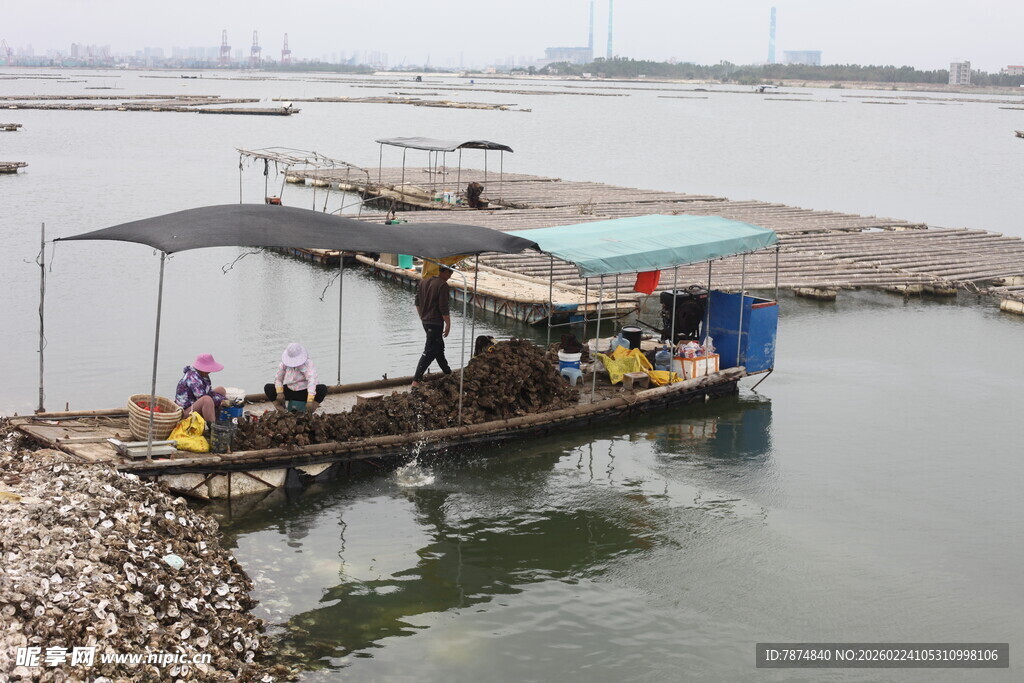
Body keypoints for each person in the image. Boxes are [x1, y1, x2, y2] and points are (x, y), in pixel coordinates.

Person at [412, 266, 453, 386]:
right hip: (435, 322)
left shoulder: (423, 282)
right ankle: (416, 380)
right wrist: (448, 324)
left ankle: (448, 373)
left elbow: (417, 303)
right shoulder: (442, 285)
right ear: (443, 271)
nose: (451, 274)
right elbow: (443, 307)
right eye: (450, 272)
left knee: (438, 348)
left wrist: (422, 317)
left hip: (426, 321)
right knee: (430, 350)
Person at [265, 343, 328, 410]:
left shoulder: (308, 363)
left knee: (322, 389)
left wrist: (310, 400)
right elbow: (278, 379)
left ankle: (309, 411)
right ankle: (281, 410)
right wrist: (279, 392)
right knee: (268, 388)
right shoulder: (284, 364)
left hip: (304, 391)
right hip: (290, 390)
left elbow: (312, 380)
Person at [175, 353, 226, 423]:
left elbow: (209, 392)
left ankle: (215, 416)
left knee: (221, 390)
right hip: (185, 412)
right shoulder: (193, 378)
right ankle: (212, 426)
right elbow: (203, 397)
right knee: (207, 400)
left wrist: (223, 399)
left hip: (194, 402)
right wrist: (223, 401)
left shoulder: (202, 375)